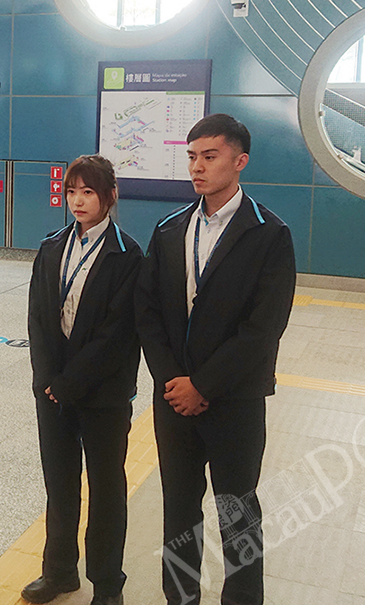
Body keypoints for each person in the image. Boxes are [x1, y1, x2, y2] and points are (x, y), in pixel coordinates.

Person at [135, 114, 296, 605]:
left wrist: (203, 385)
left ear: (239, 161)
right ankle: (180, 597)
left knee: (237, 512)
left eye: (210, 156)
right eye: (191, 157)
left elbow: (263, 328)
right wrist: (173, 380)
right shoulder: (170, 229)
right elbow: (148, 312)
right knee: (179, 511)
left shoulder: (268, 234)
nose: (197, 168)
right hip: (174, 399)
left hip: (235, 400)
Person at [24, 155, 142, 605]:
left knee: (107, 490)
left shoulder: (128, 255)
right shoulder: (51, 247)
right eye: (71, 191)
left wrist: (69, 382)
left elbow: (117, 334)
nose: (78, 201)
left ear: (110, 196)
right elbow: (38, 319)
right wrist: (47, 379)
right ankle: (59, 573)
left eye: (88, 192)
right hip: (53, 393)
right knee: (60, 485)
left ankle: (108, 586)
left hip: (103, 395)